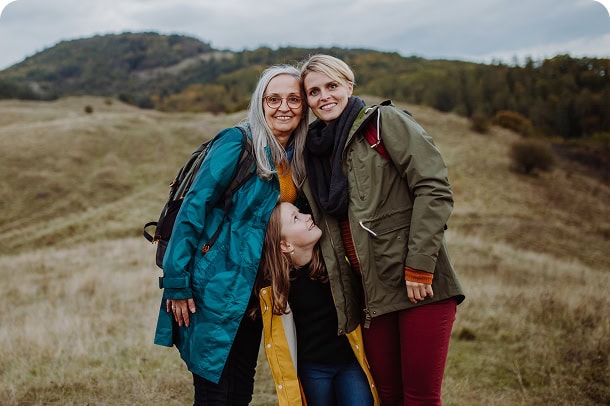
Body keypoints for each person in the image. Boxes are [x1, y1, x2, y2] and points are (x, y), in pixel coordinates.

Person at [299, 54, 466, 405]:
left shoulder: (383, 123)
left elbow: (434, 188)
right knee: (385, 395)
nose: (324, 96)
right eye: (314, 91)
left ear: (349, 85)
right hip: (370, 293)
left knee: (419, 397)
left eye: (332, 86)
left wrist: (420, 265)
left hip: (418, 284)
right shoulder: (314, 151)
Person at [153, 64, 309, 405]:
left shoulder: (294, 157)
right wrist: (177, 282)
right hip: (215, 287)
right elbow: (194, 210)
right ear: (259, 103)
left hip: (254, 294)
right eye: (274, 98)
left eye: (294, 99)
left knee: (240, 391)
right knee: (216, 393)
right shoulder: (237, 143)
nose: (284, 107)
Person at [255, 202, 379, 406]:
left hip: (349, 362)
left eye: (301, 212)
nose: (306, 216)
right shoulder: (280, 286)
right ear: (285, 246)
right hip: (314, 369)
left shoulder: (335, 267)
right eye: (296, 218)